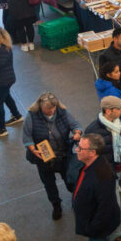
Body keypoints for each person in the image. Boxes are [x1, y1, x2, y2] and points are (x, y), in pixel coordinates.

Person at [21, 91, 81, 221]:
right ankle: (56, 205)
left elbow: (75, 124)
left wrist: (77, 132)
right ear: (40, 107)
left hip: (63, 155)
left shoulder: (62, 112)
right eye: (48, 109)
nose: (51, 111)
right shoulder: (32, 116)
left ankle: (76, 198)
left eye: (53, 108)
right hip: (44, 158)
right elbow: (26, 135)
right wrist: (33, 149)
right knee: (49, 184)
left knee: (70, 180)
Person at [90, 94, 121, 240]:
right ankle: (117, 235)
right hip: (109, 174)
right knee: (114, 207)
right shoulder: (93, 130)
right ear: (108, 111)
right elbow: (91, 156)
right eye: (119, 109)